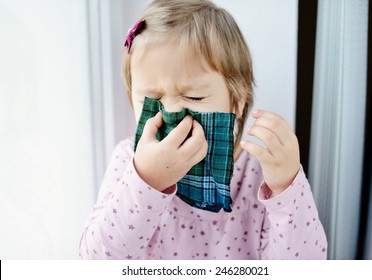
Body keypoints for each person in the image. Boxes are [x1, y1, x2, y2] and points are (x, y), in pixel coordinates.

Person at [79, 0, 327, 260]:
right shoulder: (128, 159)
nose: (172, 113)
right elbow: (97, 259)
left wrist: (286, 188)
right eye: (151, 98)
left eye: (194, 98)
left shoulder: (261, 175)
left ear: (237, 101)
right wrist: (146, 181)